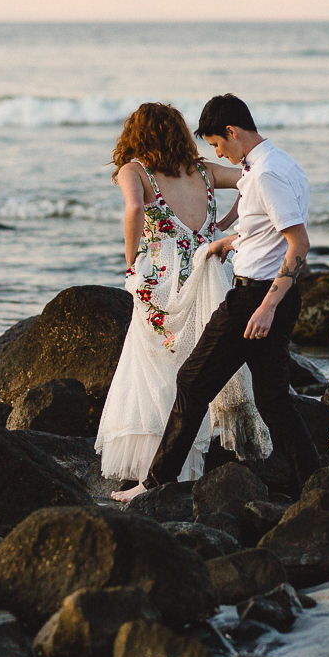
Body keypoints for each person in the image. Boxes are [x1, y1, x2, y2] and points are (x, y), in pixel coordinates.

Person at [116, 94, 322, 502]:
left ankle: (155, 483)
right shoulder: (282, 164)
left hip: (256, 300)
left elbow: (299, 245)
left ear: (231, 131)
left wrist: (265, 307)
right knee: (274, 398)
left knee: (192, 381)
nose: (216, 154)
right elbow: (265, 224)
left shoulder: (265, 175)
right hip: (273, 294)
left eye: (215, 144)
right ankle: (315, 483)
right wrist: (229, 239)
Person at [94, 102, 267, 499]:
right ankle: (187, 463)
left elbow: (135, 208)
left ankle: (152, 468)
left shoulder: (133, 170)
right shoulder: (202, 170)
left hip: (161, 275)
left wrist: (130, 260)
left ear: (135, 134)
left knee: (156, 368)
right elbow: (250, 178)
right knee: (199, 362)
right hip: (208, 270)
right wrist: (223, 227)